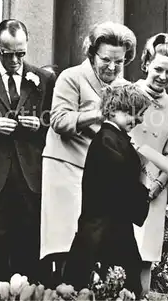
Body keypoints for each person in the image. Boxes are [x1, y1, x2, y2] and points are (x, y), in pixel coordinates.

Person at [40, 22, 137, 285]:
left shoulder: (124, 86)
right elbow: (59, 121)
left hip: (102, 175)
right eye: (106, 59)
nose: (112, 67)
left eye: (120, 61)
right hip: (67, 167)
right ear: (91, 54)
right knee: (68, 245)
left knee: (102, 246)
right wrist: (99, 112)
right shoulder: (71, 77)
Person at [0, 19, 55, 287]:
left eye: (21, 53)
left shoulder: (44, 78)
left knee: (32, 252)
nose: (15, 60)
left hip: (31, 177)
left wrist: (40, 124)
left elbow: (55, 120)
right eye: (8, 53)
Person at [63, 84, 151, 296]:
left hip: (106, 228)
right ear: (111, 110)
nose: (136, 120)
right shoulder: (108, 141)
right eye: (131, 113)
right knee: (109, 288)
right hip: (105, 231)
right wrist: (144, 185)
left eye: (138, 115)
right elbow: (121, 186)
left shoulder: (111, 139)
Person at [129, 33, 168, 296]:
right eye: (158, 69)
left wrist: (158, 184)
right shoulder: (126, 92)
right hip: (123, 185)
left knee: (144, 257)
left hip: (153, 192)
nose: (163, 76)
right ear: (146, 64)